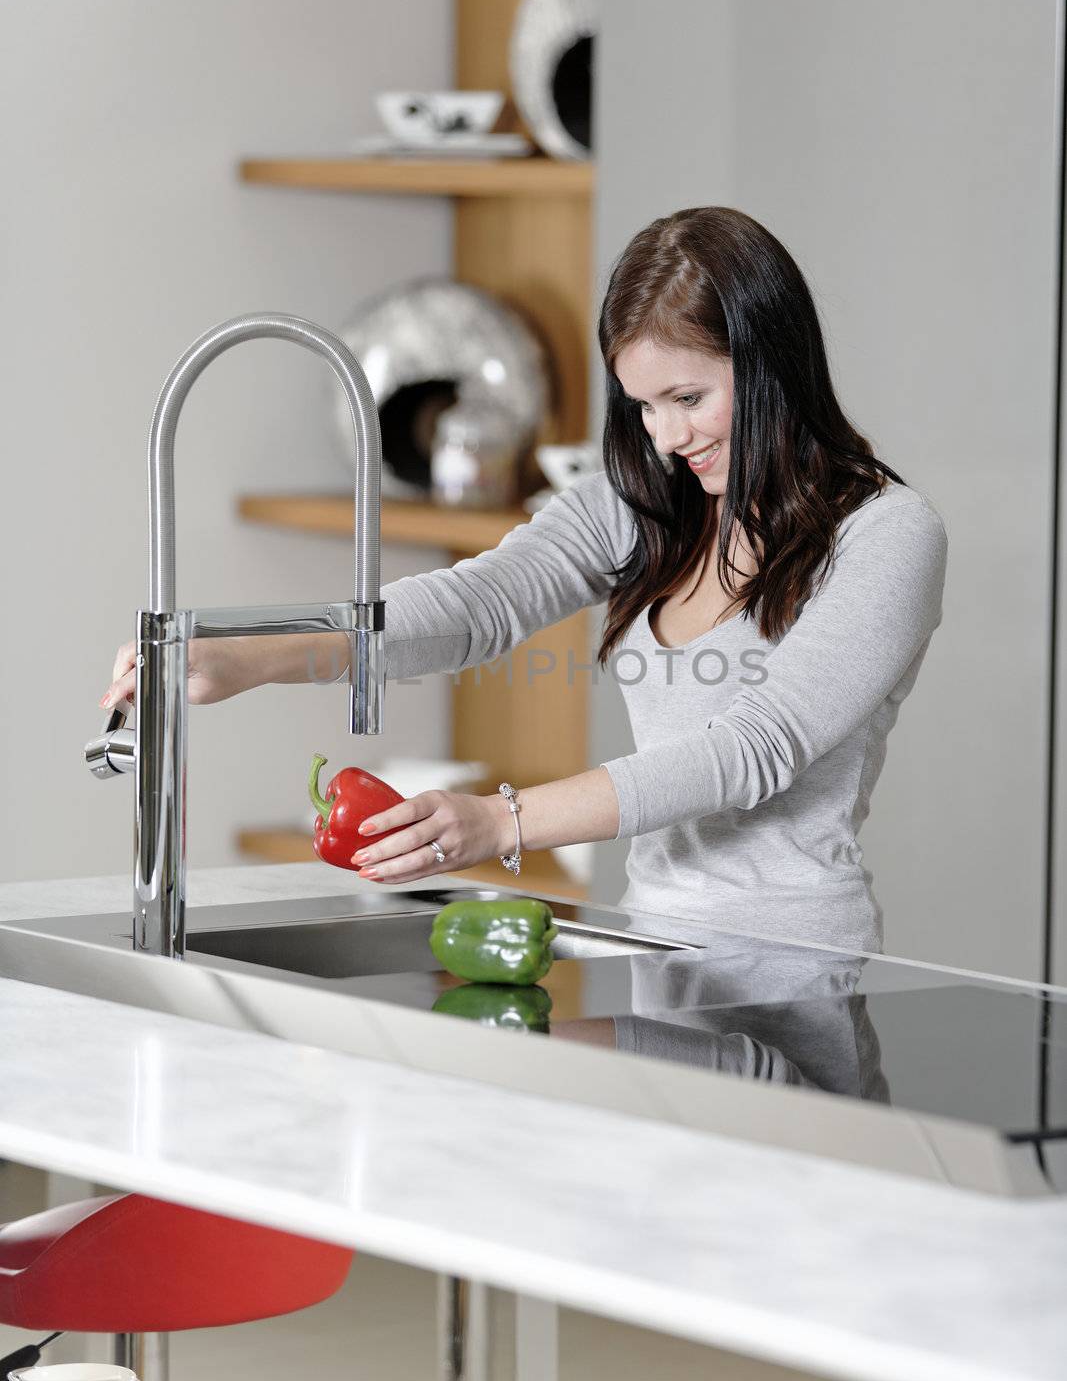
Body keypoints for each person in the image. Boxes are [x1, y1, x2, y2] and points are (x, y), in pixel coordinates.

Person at [101, 207, 947, 951]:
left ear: (770, 363)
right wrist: (248, 656)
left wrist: (497, 821)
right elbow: (478, 606)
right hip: (653, 942)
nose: (667, 436)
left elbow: (750, 751)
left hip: (803, 965)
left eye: (688, 397)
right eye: (644, 407)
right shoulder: (648, 504)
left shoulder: (886, 535)